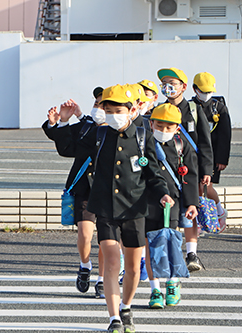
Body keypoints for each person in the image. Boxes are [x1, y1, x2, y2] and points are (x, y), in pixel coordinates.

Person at [73, 85, 173, 333]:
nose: (111, 115)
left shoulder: (142, 136)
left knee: (132, 268)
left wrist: (163, 194)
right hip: (105, 209)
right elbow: (68, 147)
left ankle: (126, 306)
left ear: (133, 110)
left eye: (117, 110)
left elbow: (154, 173)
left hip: (135, 210)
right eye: (108, 110)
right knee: (110, 262)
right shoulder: (99, 135)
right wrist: (60, 124)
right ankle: (114, 317)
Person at [42, 87, 106, 298]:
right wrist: (60, 122)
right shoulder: (87, 129)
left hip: (111, 191)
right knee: (85, 235)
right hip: (86, 190)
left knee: (107, 240)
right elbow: (66, 148)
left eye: (104, 105)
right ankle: (85, 265)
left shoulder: (123, 131)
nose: (99, 109)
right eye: (97, 104)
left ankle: (103, 280)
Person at [157, 67, 213, 272]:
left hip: (192, 169)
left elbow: (205, 142)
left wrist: (207, 170)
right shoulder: (159, 110)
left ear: (184, 87)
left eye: (173, 83)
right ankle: (169, 252)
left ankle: (191, 253)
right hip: (167, 169)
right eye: (165, 84)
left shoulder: (195, 110)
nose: (168, 88)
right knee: (169, 211)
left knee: (191, 210)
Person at [145, 104, 198, 309]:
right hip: (147, 200)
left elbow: (190, 175)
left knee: (171, 243)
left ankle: (173, 283)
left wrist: (191, 202)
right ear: (151, 124)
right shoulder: (142, 143)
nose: (164, 131)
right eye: (160, 125)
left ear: (177, 128)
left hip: (173, 202)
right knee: (151, 245)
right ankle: (155, 289)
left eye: (169, 127)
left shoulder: (182, 145)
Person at [191, 72, 231, 231]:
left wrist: (222, 158)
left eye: (209, 92)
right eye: (203, 91)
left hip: (213, 156)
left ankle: (219, 211)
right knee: (196, 188)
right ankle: (201, 220)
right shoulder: (190, 107)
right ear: (195, 89)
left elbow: (225, 135)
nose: (206, 95)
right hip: (193, 155)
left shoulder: (219, 107)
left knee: (205, 186)